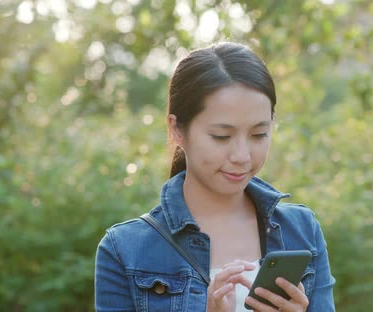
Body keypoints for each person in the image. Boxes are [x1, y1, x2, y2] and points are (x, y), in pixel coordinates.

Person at [94, 42, 335, 312]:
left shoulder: (301, 230)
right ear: (176, 130)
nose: (242, 155)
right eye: (222, 136)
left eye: (259, 134)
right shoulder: (124, 250)